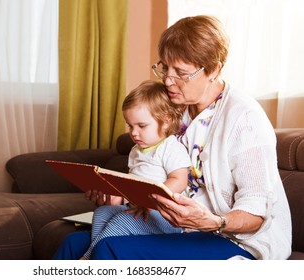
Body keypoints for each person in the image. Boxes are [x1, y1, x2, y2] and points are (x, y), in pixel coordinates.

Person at [53, 15, 292, 260]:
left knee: (110, 249)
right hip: (179, 228)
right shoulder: (173, 109)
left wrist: (213, 221)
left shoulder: (245, 118)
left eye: (181, 72)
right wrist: (117, 192)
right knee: (73, 243)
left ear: (214, 70)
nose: (168, 80)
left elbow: (256, 213)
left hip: (233, 239)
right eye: (165, 67)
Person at [80, 80, 191, 259]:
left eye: (141, 126)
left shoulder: (170, 147)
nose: (134, 133)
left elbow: (180, 179)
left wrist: (150, 199)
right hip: (138, 210)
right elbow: (132, 184)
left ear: (166, 121)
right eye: (130, 126)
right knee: (101, 213)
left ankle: (89, 257)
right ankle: (98, 252)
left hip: (165, 218)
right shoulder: (135, 150)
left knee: (121, 220)